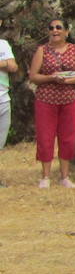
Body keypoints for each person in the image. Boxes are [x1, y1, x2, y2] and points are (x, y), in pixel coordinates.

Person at [31, 18, 75, 188]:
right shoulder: (42, 50)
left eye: (58, 27)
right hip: (46, 100)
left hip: (69, 99)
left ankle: (65, 176)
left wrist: (67, 81)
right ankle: (45, 176)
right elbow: (33, 76)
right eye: (51, 28)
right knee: (45, 138)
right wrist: (50, 78)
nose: (55, 30)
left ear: (66, 32)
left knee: (68, 138)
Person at [0, 30, 15, 186]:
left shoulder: (3, 44)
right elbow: (8, 64)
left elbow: (13, 66)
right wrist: (5, 63)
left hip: (4, 98)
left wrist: (4, 63)